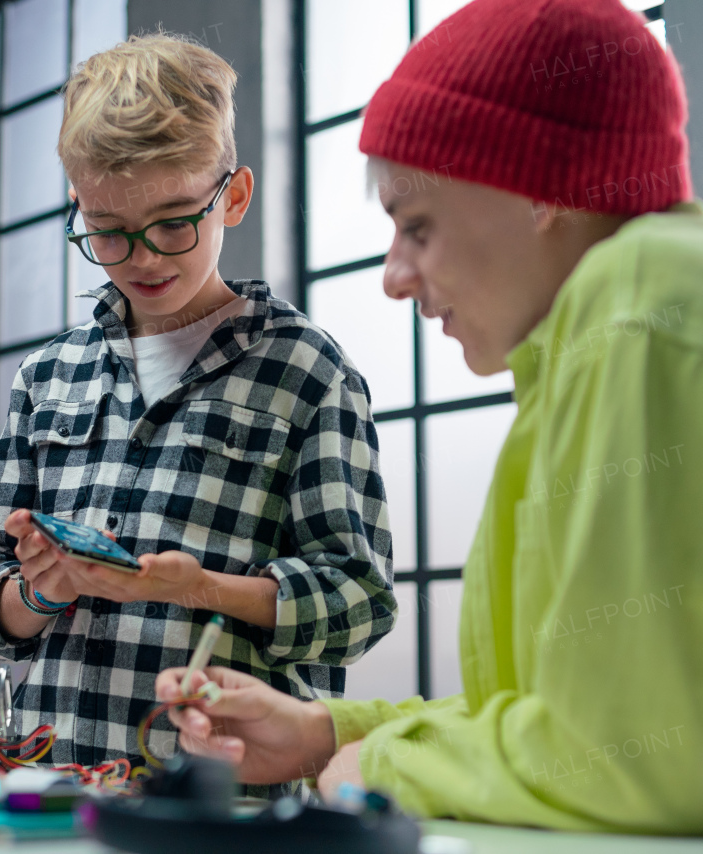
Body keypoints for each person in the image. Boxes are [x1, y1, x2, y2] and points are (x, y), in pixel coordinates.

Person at [156, 0, 703, 834]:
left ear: (542, 186)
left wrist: (377, 762)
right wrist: (324, 733)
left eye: (416, 226)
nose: (393, 278)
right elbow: (547, 715)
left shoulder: (637, 304)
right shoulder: (606, 326)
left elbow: (631, 757)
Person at [0, 33, 397, 777]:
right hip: (56, 795)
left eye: (173, 222)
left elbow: (357, 601)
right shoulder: (47, 377)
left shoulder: (308, 373)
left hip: (228, 804)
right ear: (79, 206)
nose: (144, 258)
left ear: (234, 195)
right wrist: (42, 588)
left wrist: (197, 587)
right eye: (106, 231)